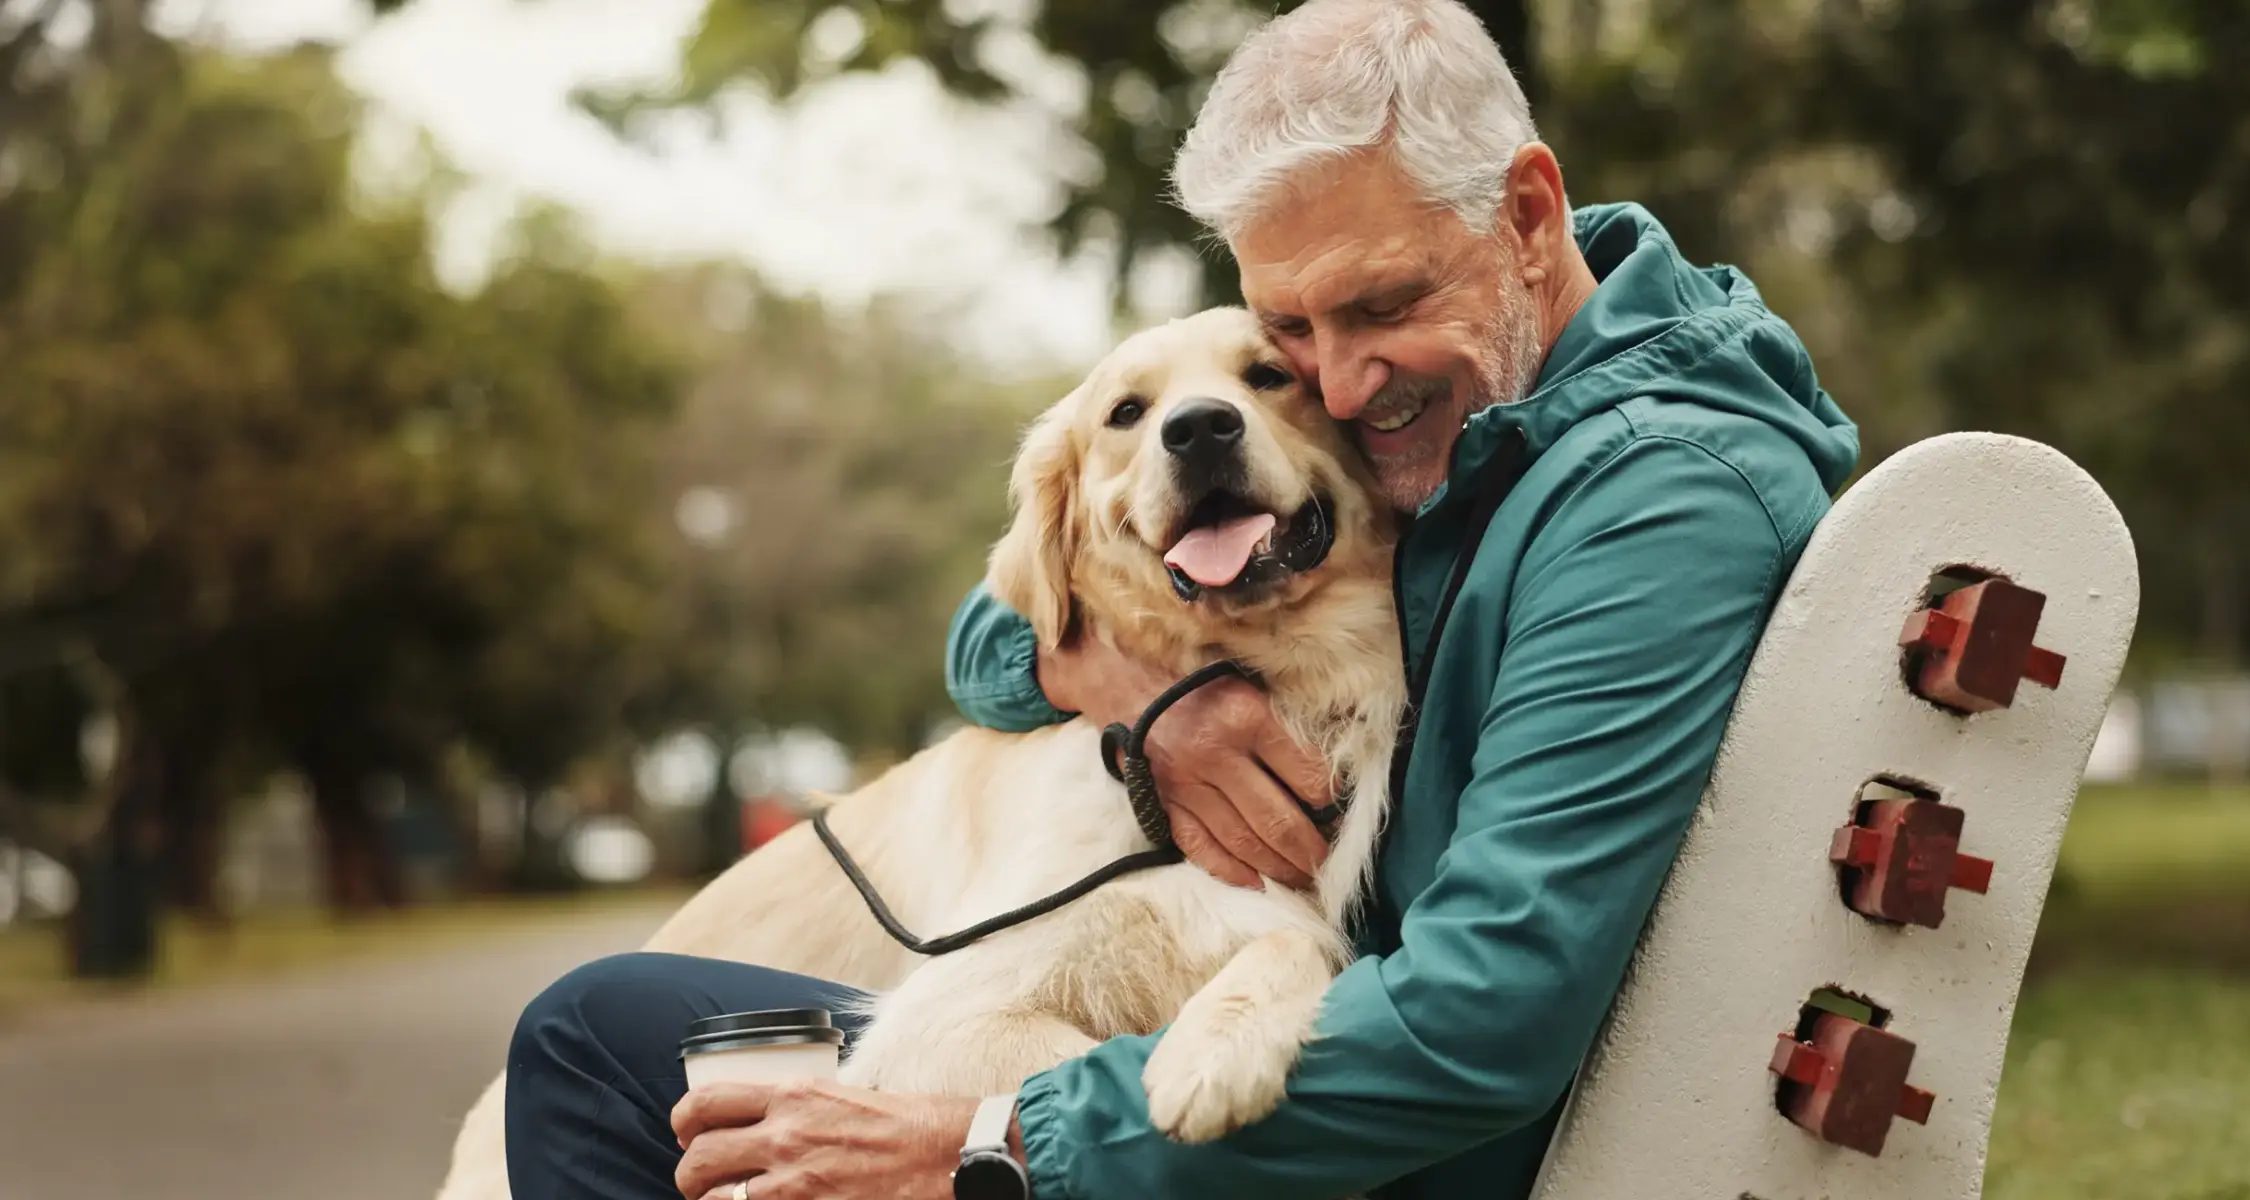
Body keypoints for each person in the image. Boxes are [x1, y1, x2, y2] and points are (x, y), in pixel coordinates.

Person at [501, 1, 1860, 1197]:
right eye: (1290, 332)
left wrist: (990, 1152)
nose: (1334, 385)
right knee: (616, 1026)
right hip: (1274, 1068)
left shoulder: (1650, 503)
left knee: (593, 1048)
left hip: (1360, 1139)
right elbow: (1003, 631)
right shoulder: (1494, 409)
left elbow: (1485, 1016)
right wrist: (1155, 698)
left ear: (1525, 211)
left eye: (1378, 305)